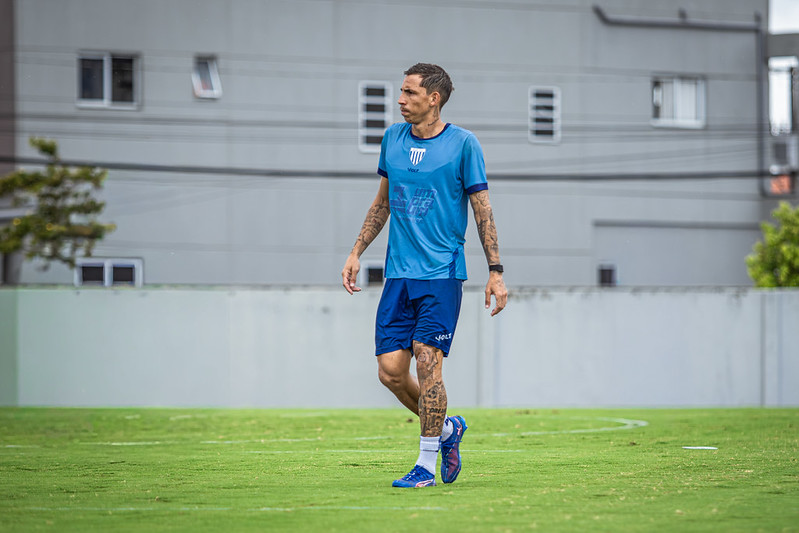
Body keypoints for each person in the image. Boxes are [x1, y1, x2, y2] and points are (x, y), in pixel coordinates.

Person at [341, 63, 507, 488]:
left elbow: (483, 210)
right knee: (391, 373)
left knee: (428, 361)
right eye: (401, 92)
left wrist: (495, 271)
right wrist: (357, 251)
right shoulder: (392, 140)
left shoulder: (463, 144)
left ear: (434, 99)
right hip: (399, 275)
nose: (401, 100)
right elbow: (382, 203)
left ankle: (425, 466)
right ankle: (448, 430)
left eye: (410, 93)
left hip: (441, 274)